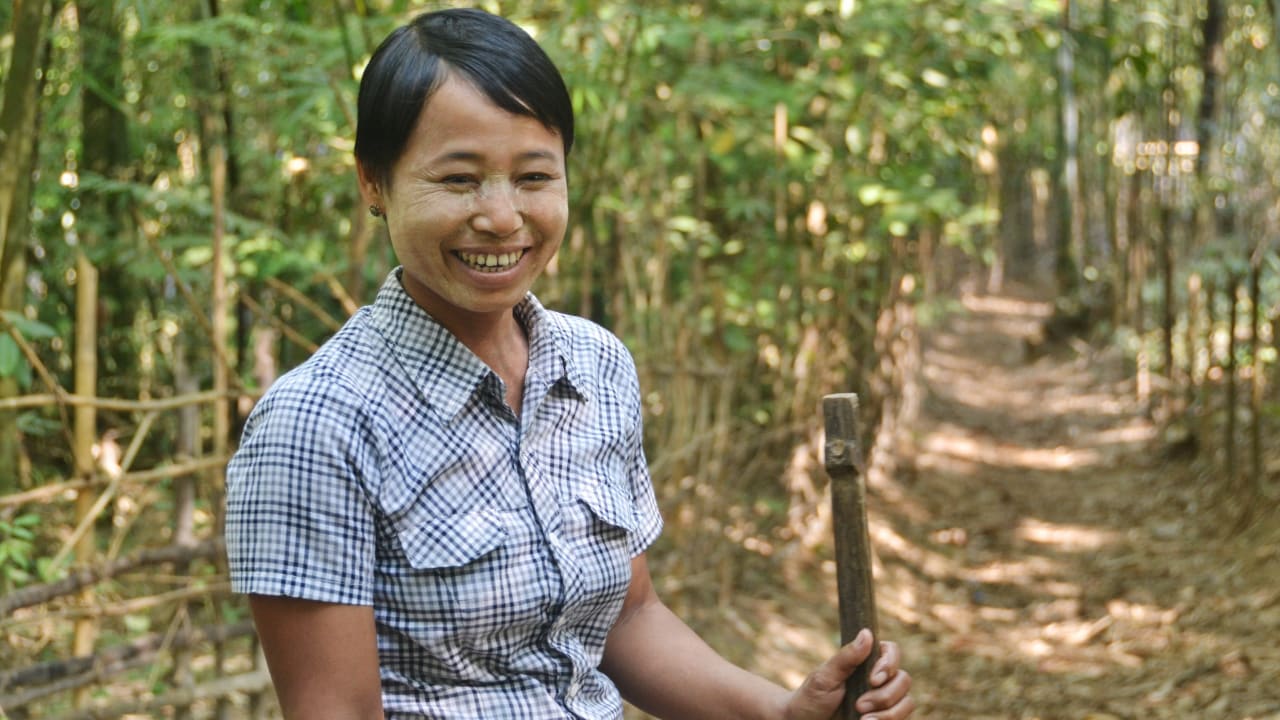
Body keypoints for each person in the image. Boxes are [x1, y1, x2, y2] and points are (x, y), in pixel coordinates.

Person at [225, 8, 914, 720]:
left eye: (532, 177)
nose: (500, 216)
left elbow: (627, 618)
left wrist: (784, 711)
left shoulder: (595, 367)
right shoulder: (315, 426)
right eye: (459, 180)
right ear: (374, 181)